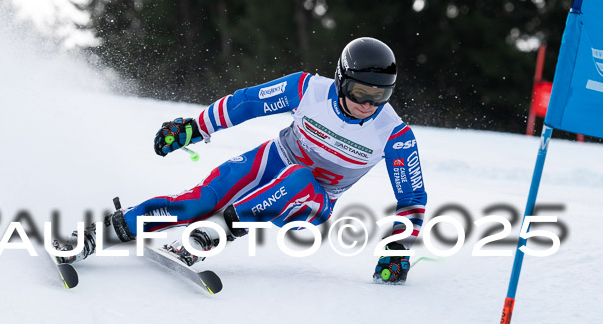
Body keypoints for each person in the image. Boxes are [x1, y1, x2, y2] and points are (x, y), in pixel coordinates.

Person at [55, 37, 427, 284]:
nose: (368, 104)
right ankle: (98, 235)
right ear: (341, 80)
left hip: (312, 202)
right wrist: (193, 128)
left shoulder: (394, 135)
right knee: (199, 201)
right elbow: (246, 103)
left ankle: (218, 230)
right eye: (360, 91)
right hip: (271, 160)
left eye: (379, 96)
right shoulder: (306, 89)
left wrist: (398, 247)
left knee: (298, 177)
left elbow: (412, 199)